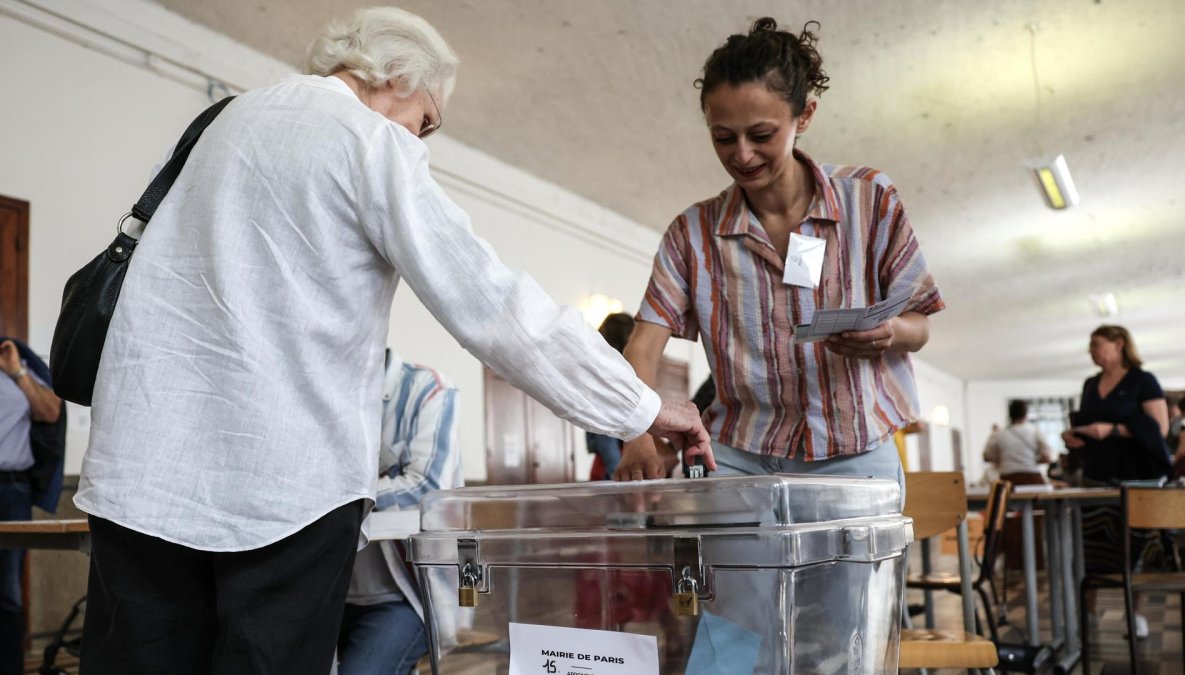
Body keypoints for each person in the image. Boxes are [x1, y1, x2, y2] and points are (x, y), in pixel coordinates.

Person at [72, 8, 710, 674]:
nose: (423, 139)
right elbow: (492, 302)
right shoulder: (368, 141)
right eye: (428, 120)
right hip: (281, 488)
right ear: (397, 75)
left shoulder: (222, 122)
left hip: (142, 475)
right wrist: (639, 405)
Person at [615, 18, 943, 495]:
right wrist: (636, 432)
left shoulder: (869, 200)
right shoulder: (692, 235)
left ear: (804, 116)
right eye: (724, 137)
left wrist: (888, 332)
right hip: (738, 459)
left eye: (761, 134)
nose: (742, 155)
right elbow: (642, 347)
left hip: (855, 457)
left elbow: (921, 325)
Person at [337, 355, 460, 674]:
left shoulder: (426, 388)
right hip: (325, 590)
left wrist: (333, 494)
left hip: (404, 598)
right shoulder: (311, 384)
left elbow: (428, 488)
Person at [1061, 324, 1171, 638]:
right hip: (1097, 477)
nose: (1091, 351)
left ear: (1118, 343)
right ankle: (1089, 614)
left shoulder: (1143, 381)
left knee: (1135, 548)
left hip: (1139, 480)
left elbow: (1158, 429)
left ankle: (1134, 615)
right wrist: (1075, 435)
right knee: (1093, 548)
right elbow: (1086, 423)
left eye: (1096, 344)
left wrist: (1113, 430)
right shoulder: (1090, 384)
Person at [0, 339, 62, 675]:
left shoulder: (14, 362)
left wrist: (17, 371)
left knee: (7, 592)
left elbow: (50, 411)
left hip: (10, 490)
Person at [585, 313, 635, 480]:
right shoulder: (608, 378)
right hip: (614, 466)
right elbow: (604, 436)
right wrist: (620, 475)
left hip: (613, 462)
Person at [982, 400, 1052, 485]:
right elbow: (1047, 458)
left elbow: (987, 457)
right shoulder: (1035, 432)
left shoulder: (998, 434)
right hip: (1032, 477)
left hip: (1008, 477)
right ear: (1026, 415)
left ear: (1009, 415)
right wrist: (1032, 459)